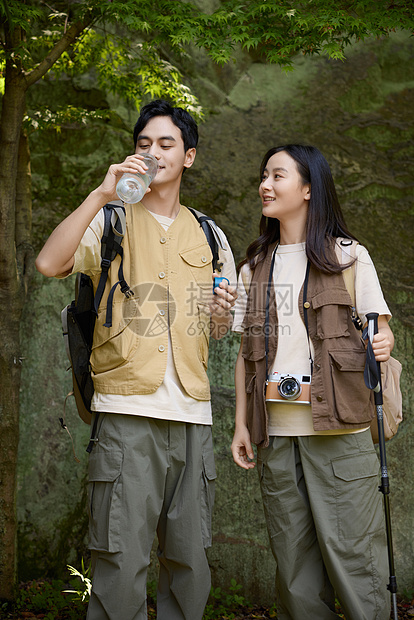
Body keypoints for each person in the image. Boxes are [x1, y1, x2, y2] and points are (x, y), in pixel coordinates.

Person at [36, 99, 237, 620]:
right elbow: (49, 262)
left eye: (166, 144)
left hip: (192, 417)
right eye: (143, 144)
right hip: (126, 414)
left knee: (190, 565)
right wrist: (102, 192)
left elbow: (219, 330)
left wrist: (223, 312)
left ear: (188, 156)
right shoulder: (110, 220)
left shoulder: (213, 236)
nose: (152, 153)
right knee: (120, 562)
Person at [231, 144, 393, 620]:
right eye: (263, 175)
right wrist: (241, 425)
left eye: (277, 176)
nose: (265, 184)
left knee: (358, 565)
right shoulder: (254, 266)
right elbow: (245, 355)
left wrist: (380, 343)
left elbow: (379, 330)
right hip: (277, 438)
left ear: (307, 188)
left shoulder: (349, 257)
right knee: (295, 575)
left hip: (340, 434)